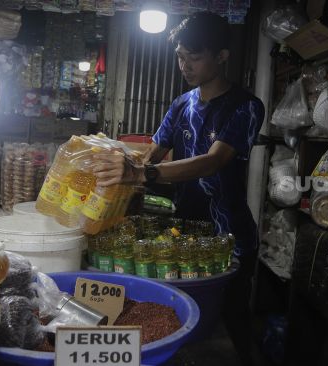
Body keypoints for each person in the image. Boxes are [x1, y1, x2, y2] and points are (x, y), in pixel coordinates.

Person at [93, 11, 265, 366]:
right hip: (180, 233)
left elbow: (213, 161)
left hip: (227, 237)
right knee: (177, 321)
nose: (184, 66)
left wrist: (143, 175)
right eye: (180, 57)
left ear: (221, 56)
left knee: (229, 321)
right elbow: (150, 155)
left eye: (194, 57)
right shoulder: (181, 104)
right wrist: (111, 164)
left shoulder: (245, 106)